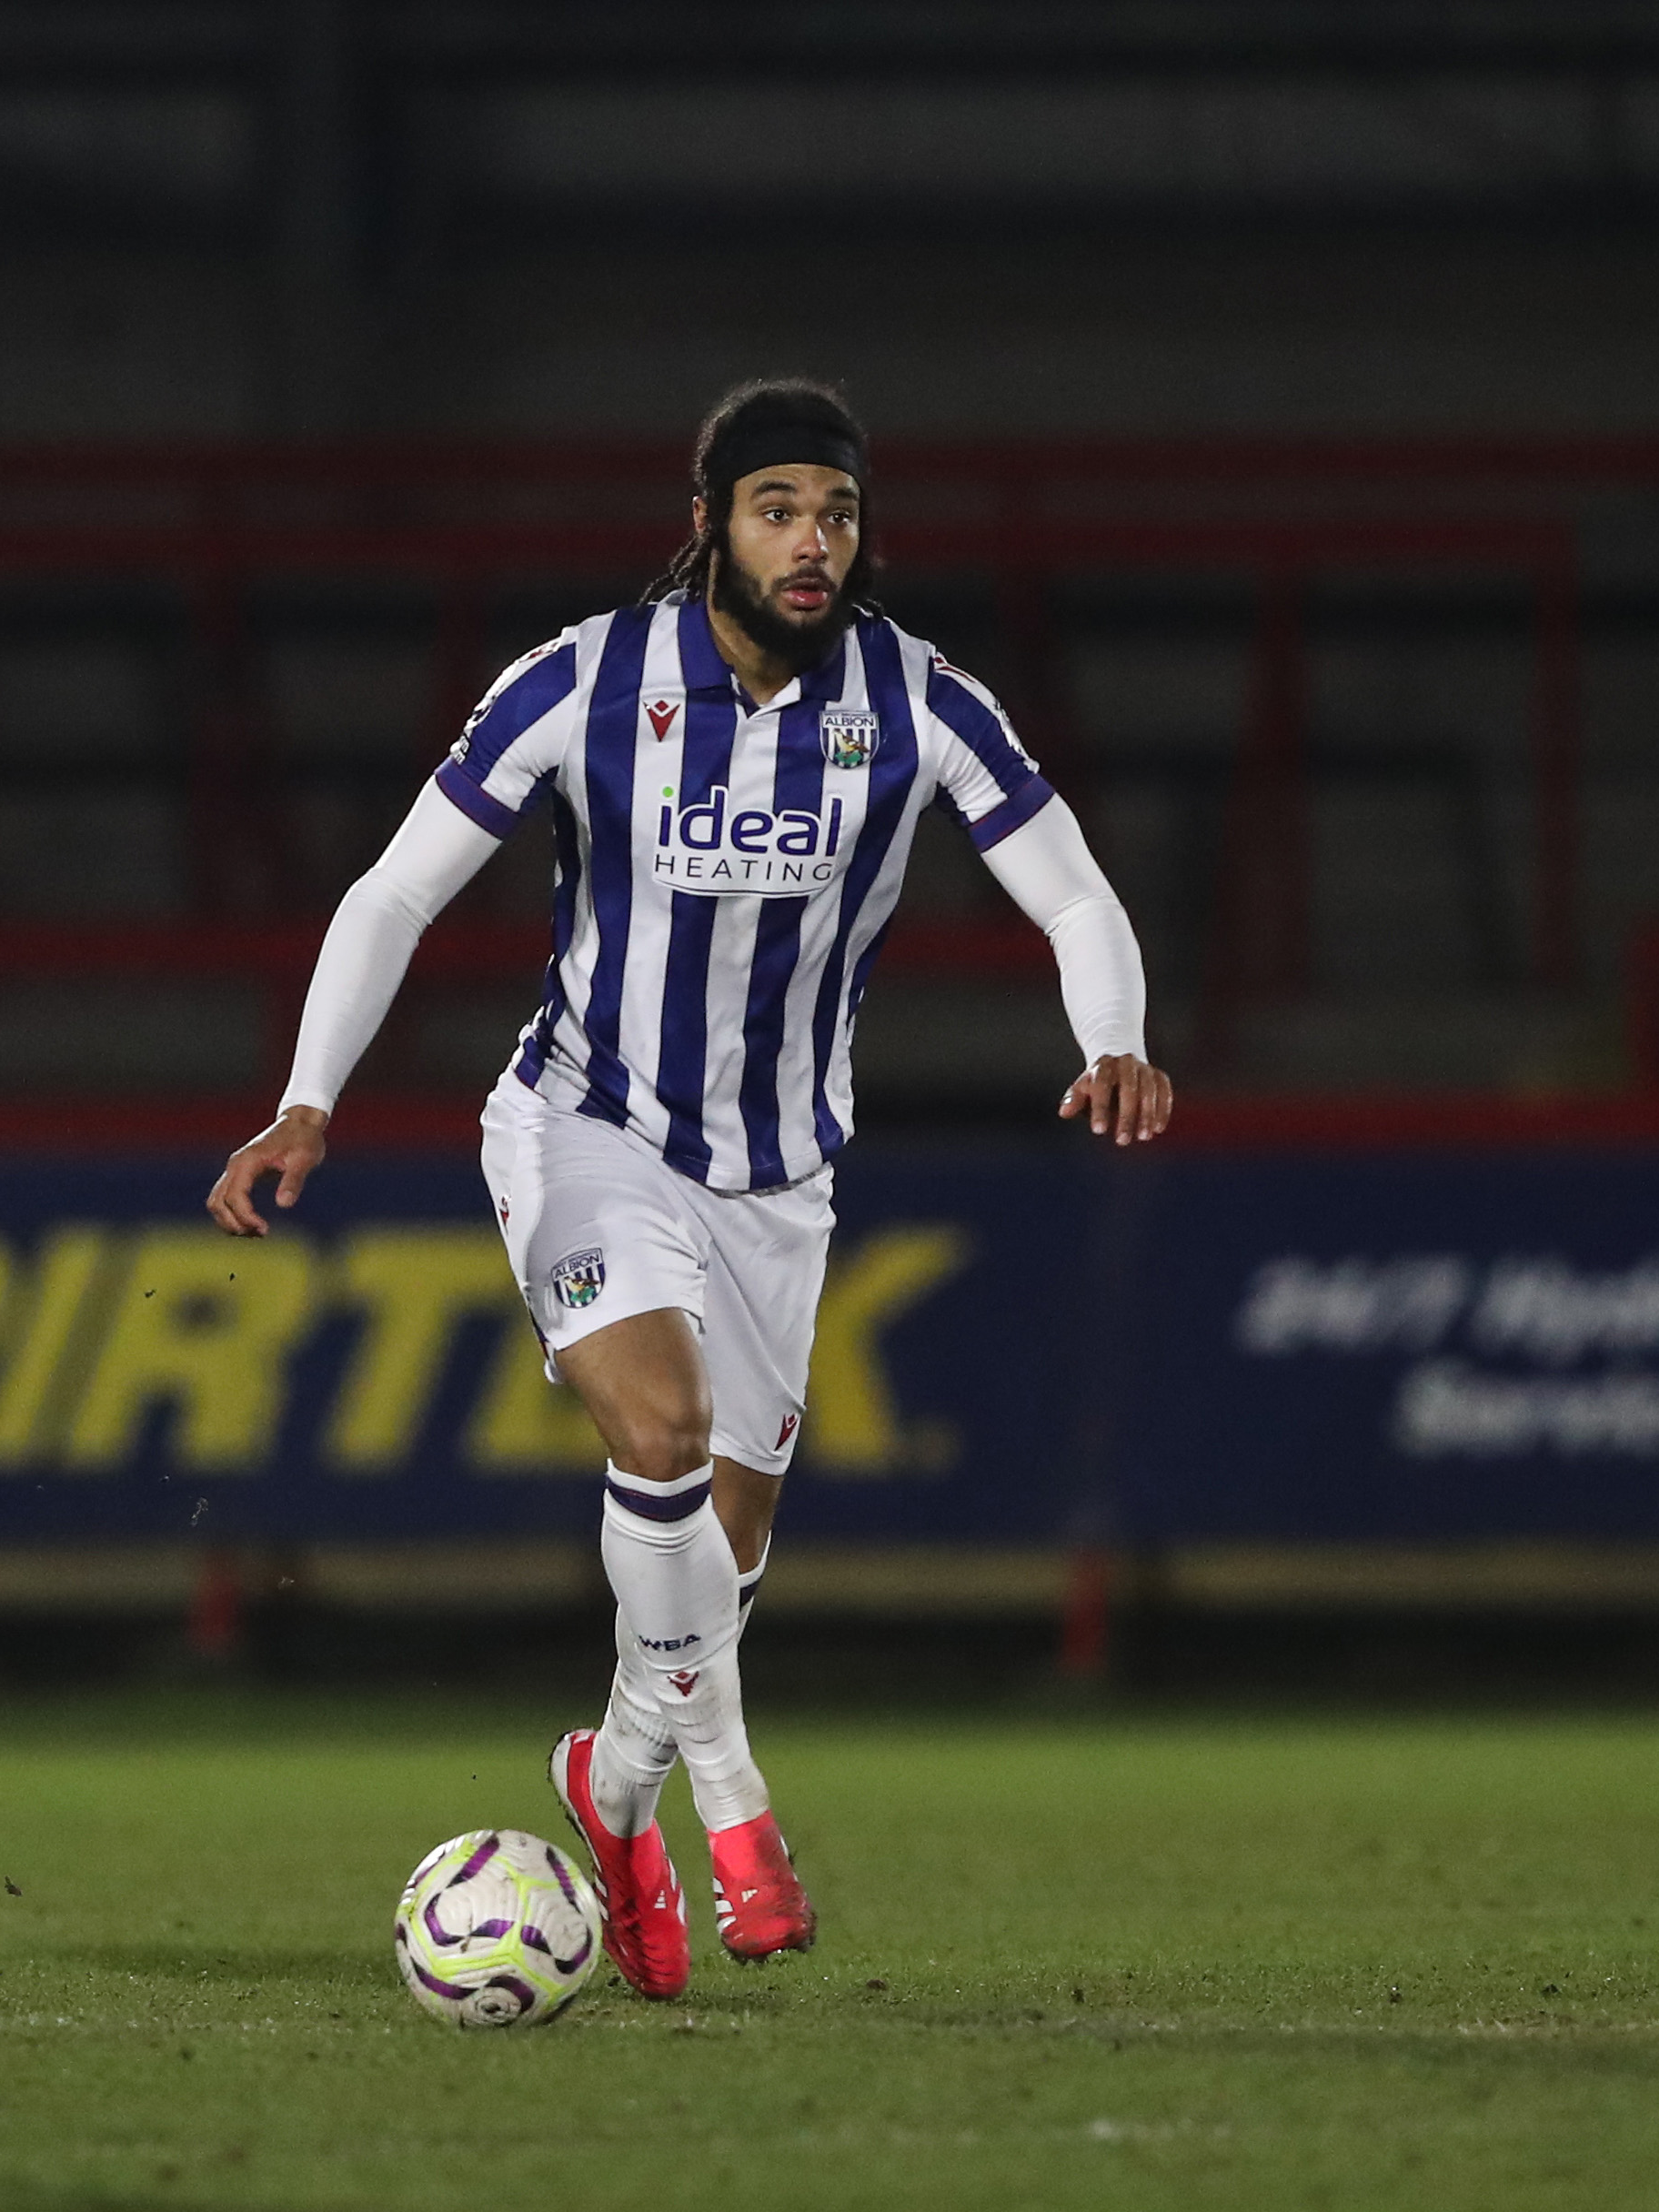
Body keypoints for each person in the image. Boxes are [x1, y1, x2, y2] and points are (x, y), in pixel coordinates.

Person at [209, 379, 1171, 1999]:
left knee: (719, 1554)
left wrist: (1119, 1037)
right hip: (585, 1125)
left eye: (841, 512)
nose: (815, 541)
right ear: (711, 522)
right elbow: (392, 898)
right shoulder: (581, 683)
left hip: (780, 1183)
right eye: (780, 506)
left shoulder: (919, 699)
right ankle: (734, 1809)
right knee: (655, 1437)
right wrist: (307, 1102)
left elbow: (1073, 892)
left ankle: (616, 1786)